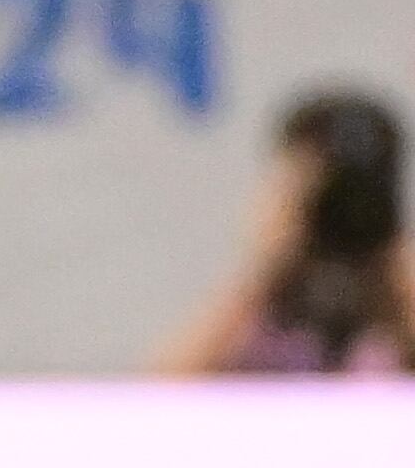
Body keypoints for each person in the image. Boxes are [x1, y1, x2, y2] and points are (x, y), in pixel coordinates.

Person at [165, 91, 413, 374]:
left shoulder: (397, 310)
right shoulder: (260, 313)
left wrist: (396, 268)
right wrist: (264, 268)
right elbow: (154, 396)